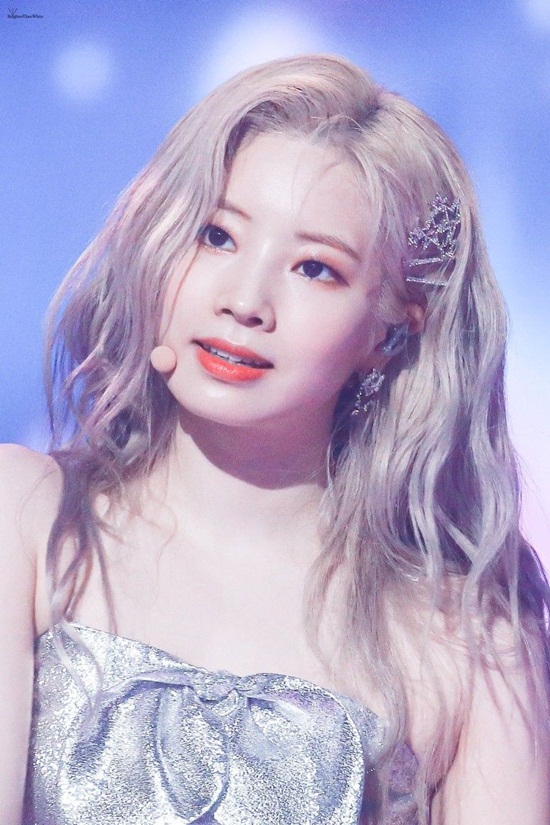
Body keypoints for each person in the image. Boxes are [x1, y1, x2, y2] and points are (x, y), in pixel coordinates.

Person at [1, 54, 548, 825]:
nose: (246, 300)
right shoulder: (30, 518)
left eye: (315, 268)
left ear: (389, 330)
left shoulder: (467, 637)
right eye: (217, 235)